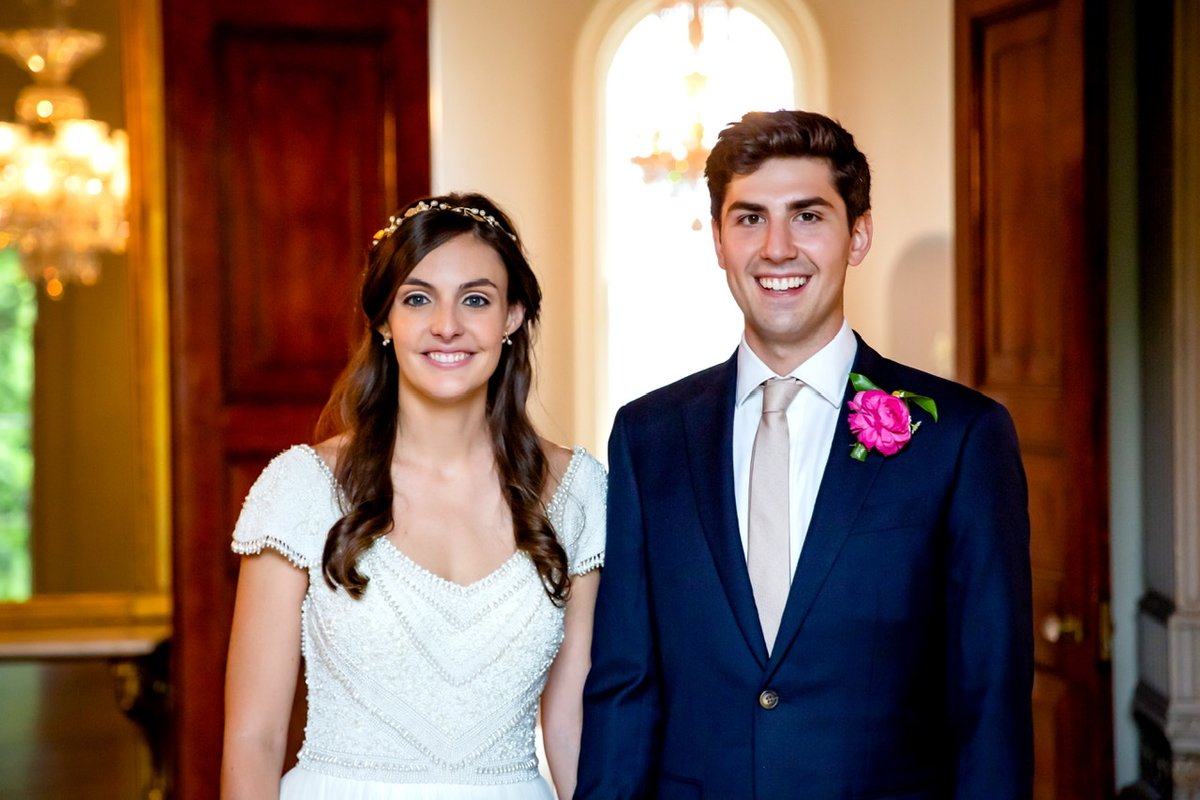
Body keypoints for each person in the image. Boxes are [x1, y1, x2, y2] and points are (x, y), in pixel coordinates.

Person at [577, 110, 1033, 798]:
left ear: (858, 235)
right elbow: (624, 688)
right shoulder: (648, 437)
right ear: (720, 242)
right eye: (750, 218)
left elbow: (990, 700)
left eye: (808, 216)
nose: (777, 248)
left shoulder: (961, 438)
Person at [221, 192, 605, 800]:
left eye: (475, 299)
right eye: (418, 298)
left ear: (512, 316)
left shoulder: (578, 492)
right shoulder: (301, 488)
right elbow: (253, 738)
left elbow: (571, 727)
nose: (446, 324)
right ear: (382, 320)